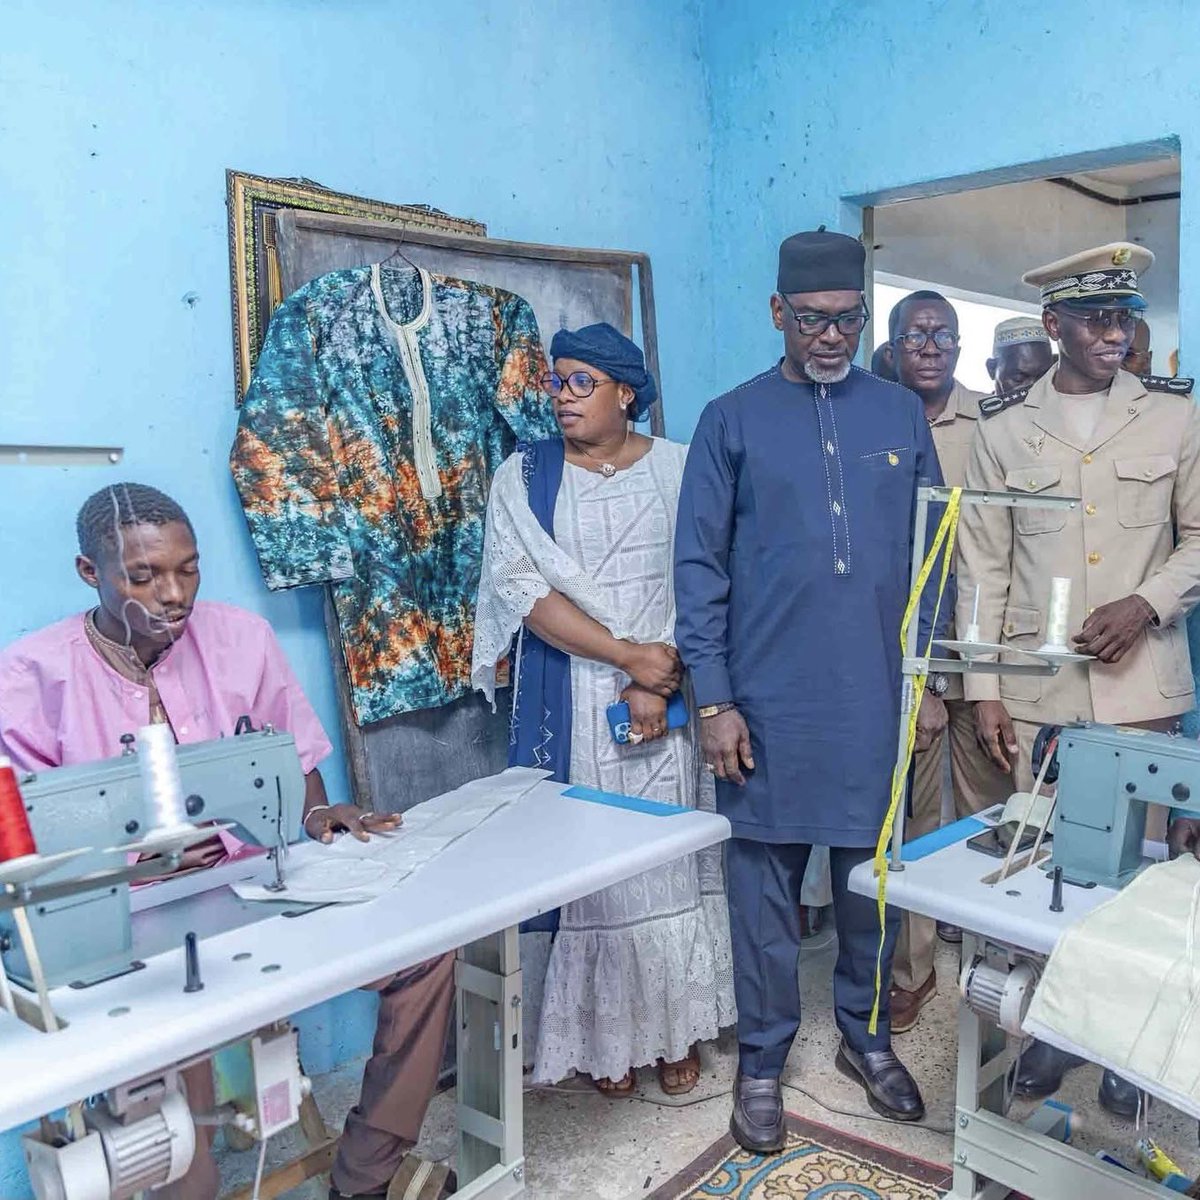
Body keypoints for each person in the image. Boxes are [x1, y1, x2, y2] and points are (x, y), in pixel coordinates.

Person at [0, 484, 456, 1200]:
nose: (173, 593)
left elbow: (292, 759)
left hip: (250, 890)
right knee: (182, 1129)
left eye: (189, 569)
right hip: (125, 929)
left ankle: (366, 1171)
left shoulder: (242, 638)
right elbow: (27, 854)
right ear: (92, 574)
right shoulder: (29, 678)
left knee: (423, 953)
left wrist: (317, 816)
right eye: (143, 576)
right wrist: (152, 862)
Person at [674, 229, 944, 1151]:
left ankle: (866, 1042)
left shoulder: (901, 417)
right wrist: (713, 699)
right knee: (762, 895)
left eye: (848, 320)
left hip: (875, 696)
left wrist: (929, 675)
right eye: (813, 319)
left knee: (869, 888)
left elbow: (936, 551)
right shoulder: (731, 419)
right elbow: (698, 568)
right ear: (778, 314)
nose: (832, 336)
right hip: (766, 704)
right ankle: (760, 1060)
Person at [956, 243, 1200, 1119]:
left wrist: (1145, 602)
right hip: (1039, 691)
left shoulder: (1174, 417)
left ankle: (1132, 1051)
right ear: (1053, 326)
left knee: (1142, 877)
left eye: (1124, 316)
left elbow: (1199, 539)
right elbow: (979, 567)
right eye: (1096, 317)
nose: (1115, 333)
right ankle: (1054, 1036)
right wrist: (985, 687)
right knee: (1047, 870)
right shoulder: (1002, 430)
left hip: (1142, 689)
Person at [471, 323, 735, 1098]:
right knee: (594, 872)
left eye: (582, 382)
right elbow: (523, 590)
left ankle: (675, 1032)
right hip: (578, 687)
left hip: (673, 692)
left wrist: (657, 677)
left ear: (627, 392)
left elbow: (712, 581)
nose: (562, 397)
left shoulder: (686, 469)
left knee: (672, 862)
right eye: (556, 382)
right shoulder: (524, 477)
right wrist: (625, 659)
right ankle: (604, 1037)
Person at [883, 292, 1012, 1033]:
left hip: (985, 650)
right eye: (914, 334)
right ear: (894, 344)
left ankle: (999, 966)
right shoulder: (876, 420)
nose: (929, 346)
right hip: (911, 656)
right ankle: (914, 970)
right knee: (914, 820)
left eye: (943, 335)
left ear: (960, 346)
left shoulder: (994, 422)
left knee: (992, 808)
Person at [986, 316, 1055, 397]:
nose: (1034, 390)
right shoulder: (971, 408)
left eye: (1043, 378)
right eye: (1018, 379)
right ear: (992, 369)